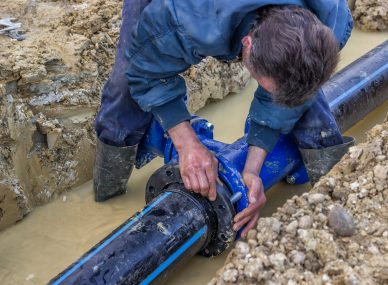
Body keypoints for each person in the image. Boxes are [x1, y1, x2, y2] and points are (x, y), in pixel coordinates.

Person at [94, 0, 353, 237]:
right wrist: (187, 145)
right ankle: (107, 192)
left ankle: (334, 196)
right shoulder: (189, 20)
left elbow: (290, 94)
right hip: (196, 12)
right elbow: (144, 70)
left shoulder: (331, 21)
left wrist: (252, 170)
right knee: (125, 87)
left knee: (301, 92)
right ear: (247, 43)